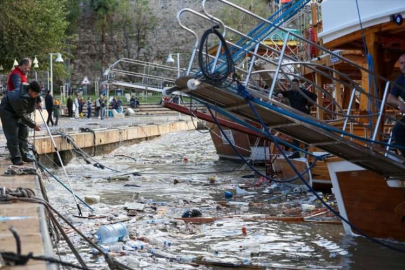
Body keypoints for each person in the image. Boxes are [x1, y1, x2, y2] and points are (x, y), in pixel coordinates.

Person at [0, 81, 42, 165]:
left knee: (24, 133)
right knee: (13, 135)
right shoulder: (19, 98)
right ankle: (16, 158)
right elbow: (22, 116)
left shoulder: (31, 90)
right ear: (30, 91)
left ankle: (25, 155)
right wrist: (33, 125)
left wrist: (38, 101)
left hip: (19, 111)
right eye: (35, 94)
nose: (36, 96)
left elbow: (37, 95)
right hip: (8, 112)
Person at [278, 79, 317, 158]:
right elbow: (281, 92)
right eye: (291, 84)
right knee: (295, 134)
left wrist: (308, 105)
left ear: (298, 85)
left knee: (305, 134)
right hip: (295, 115)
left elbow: (314, 96)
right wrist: (279, 94)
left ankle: (307, 153)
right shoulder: (290, 93)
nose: (293, 86)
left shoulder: (303, 92)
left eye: (294, 84)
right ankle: (296, 153)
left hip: (304, 115)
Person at [387, 54, 405, 157]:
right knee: (397, 130)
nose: (404, 65)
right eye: (402, 63)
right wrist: (399, 103)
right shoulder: (401, 79)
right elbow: (390, 98)